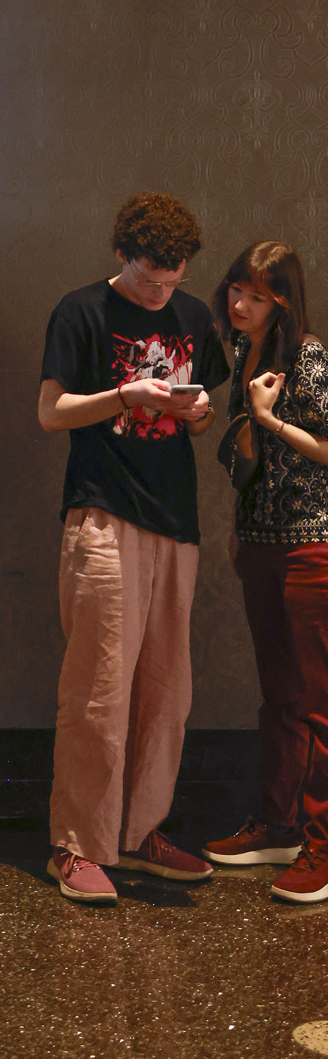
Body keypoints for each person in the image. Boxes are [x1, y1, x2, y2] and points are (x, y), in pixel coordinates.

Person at [38, 192, 230, 903]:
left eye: (172, 279)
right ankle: (77, 845)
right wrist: (126, 395)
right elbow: (50, 411)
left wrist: (199, 409)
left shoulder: (191, 317)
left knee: (166, 692)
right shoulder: (81, 310)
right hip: (103, 513)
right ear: (123, 255)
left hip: (174, 520)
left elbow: (203, 412)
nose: (161, 291)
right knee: (98, 690)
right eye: (150, 277)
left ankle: (139, 830)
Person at [202, 243, 328, 904]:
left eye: (250, 293)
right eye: (232, 290)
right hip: (259, 544)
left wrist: (267, 417)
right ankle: (279, 825)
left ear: (280, 297)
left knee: (316, 701)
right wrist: (237, 530)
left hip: (311, 548)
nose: (235, 302)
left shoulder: (306, 357)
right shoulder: (241, 358)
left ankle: (322, 844)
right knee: (277, 695)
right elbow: (247, 464)